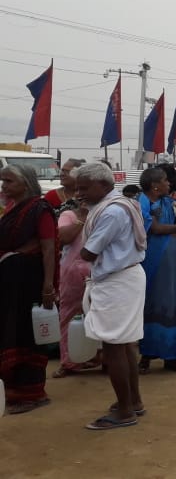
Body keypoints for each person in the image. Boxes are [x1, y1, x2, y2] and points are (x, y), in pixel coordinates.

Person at [76, 162, 148, 430]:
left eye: (85, 188)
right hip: (124, 277)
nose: (80, 193)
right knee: (124, 343)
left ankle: (125, 411)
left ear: (104, 185)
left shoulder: (111, 212)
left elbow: (88, 252)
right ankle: (133, 402)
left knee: (113, 346)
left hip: (117, 280)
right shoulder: (118, 205)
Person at [0, 164, 57, 415]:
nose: (4, 186)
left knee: (26, 334)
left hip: (29, 283)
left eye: (9, 181)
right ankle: (12, 390)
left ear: (25, 183)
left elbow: (48, 248)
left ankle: (32, 393)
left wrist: (48, 286)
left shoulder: (39, 209)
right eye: (3, 181)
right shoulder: (11, 208)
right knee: (9, 331)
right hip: (10, 282)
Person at [137, 166, 176, 374]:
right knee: (151, 303)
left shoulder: (170, 202)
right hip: (154, 262)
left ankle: (172, 356)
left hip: (175, 264)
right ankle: (146, 355)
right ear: (155, 186)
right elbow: (154, 228)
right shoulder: (142, 203)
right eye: (165, 180)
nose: (169, 183)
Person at [53, 166, 102, 378]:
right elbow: (63, 238)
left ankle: (101, 358)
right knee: (69, 316)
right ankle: (68, 361)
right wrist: (81, 217)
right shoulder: (69, 214)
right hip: (72, 273)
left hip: (99, 271)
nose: (82, 197)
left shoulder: (105, 214)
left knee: (101, 315)